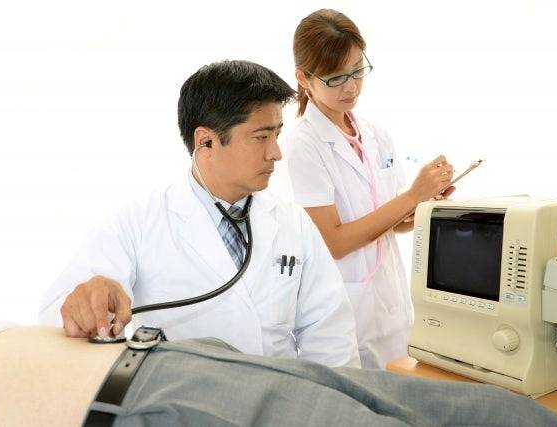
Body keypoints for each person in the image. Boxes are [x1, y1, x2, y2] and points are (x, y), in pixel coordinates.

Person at [39, 60, 361, 368]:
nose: (276, 153)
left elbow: (331, 338)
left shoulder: (293, 222)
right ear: (205, 141)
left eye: (277, 134)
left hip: (280, 398)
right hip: (181, 399)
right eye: (261, 137)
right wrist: (87, 302)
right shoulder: (137, 222)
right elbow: (58, 314)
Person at [0, 325, 557, 426]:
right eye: (262, 136)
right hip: (137, 403)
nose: (275, 152)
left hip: (184, 357)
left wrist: (93, 294)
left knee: (470, 408)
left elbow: (71, 302)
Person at [287, 9, 456, 369]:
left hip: (390, 300)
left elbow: (394, 223)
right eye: (336, 77)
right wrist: (412, 196)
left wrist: (427, 204)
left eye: (357, 70)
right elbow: (334, 241)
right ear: (303, 78)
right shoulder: (304, 144)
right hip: (345, 312)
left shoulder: (376, 135)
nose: (351, 87)